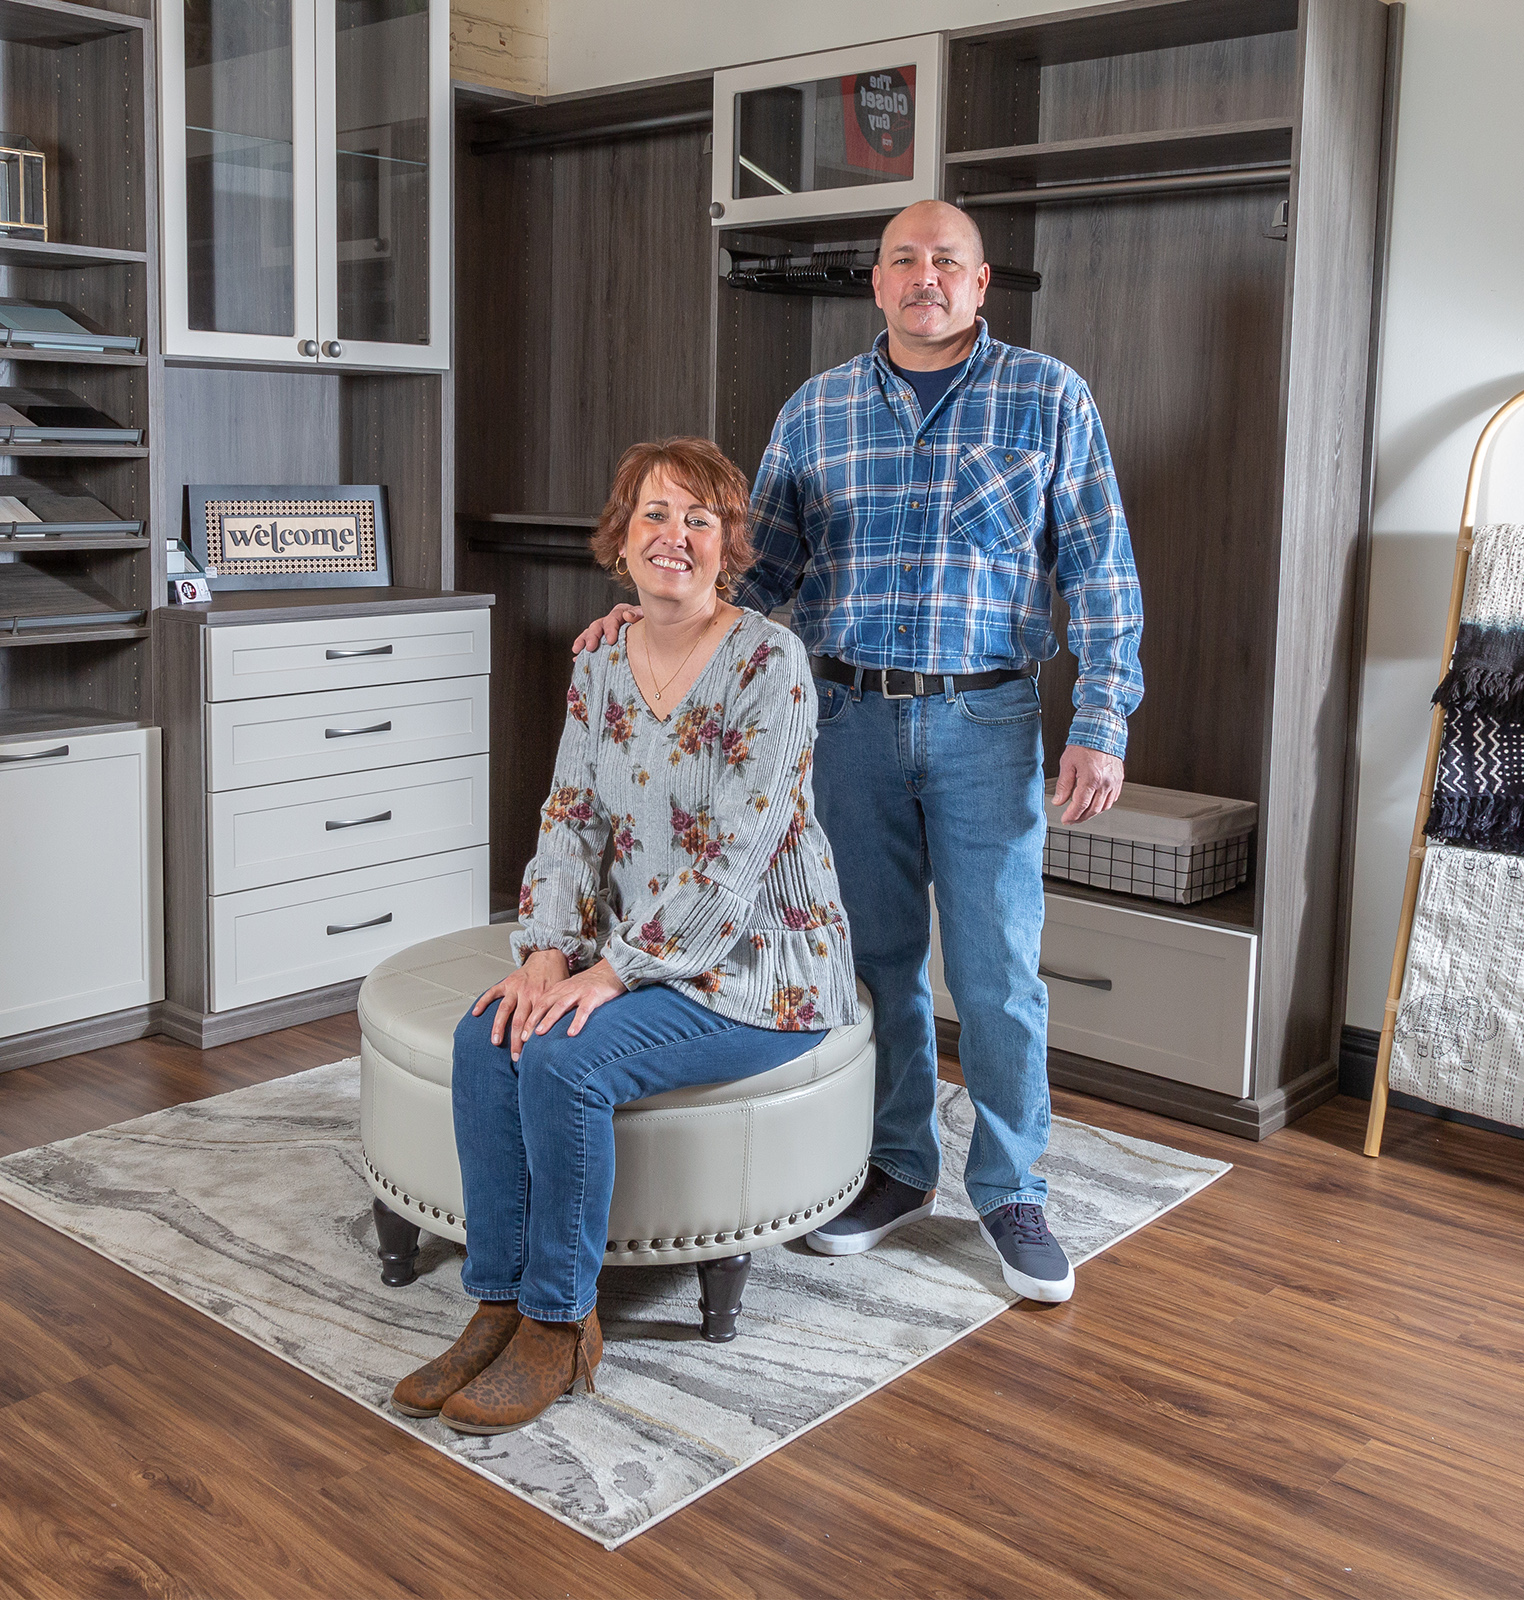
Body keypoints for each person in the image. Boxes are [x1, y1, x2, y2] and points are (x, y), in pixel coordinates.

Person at [574, 201, 1143, 1304]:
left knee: (996, 974)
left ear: (981, 286)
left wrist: (1100, 719)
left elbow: (1102, 574)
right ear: (875, 284)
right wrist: (643, 614)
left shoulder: (1048, 399)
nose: (924, 277)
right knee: (869, 965)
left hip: (988, 721)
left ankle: (1013, 1189)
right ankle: (897, 1167)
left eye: (947, 261)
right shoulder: (816, 411)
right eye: (903, 261)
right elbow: (757, 576)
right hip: (843, 723)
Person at [392, 437, 858, 1435]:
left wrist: (608, 973)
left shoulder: (770, 662)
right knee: (491, 1034)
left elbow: (736, 854)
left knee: (563, 1061)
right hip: (627, 957)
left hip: (757, 971)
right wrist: (548, 953)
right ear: (621, 534)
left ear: (730, 542)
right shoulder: (602, 658)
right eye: (654, 514)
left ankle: (562, 1324)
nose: (674, 537)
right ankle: (501, 1300)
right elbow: (569, 818)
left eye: (699, 519)